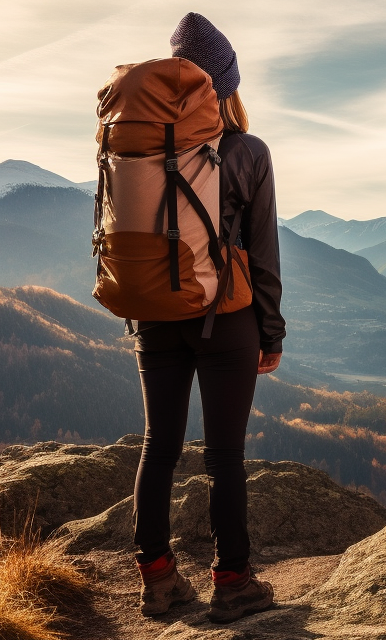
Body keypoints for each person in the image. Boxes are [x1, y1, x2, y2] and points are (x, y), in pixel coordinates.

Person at [128, 13, 285, 623]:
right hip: (228, 319)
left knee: (157, 446)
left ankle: (158, 578)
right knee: (225, 456)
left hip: (153, 315)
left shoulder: (139, 145)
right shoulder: (247, 151)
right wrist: (270, 333)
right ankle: (232, 579)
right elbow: (264, 255)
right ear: (227, 83)